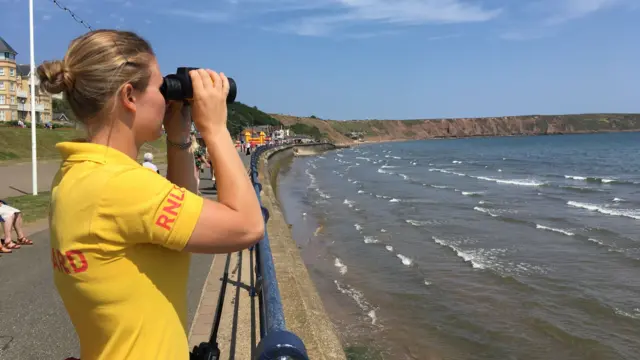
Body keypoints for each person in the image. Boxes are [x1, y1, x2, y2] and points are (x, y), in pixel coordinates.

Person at [37, 29, 264, 360]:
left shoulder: (77, 175)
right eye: (161, 87)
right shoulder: (121, 187)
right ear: (129, 96)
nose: (165, 97)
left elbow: (180, 217)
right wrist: (214, 128)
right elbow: (247, 226)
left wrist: (179, 134)